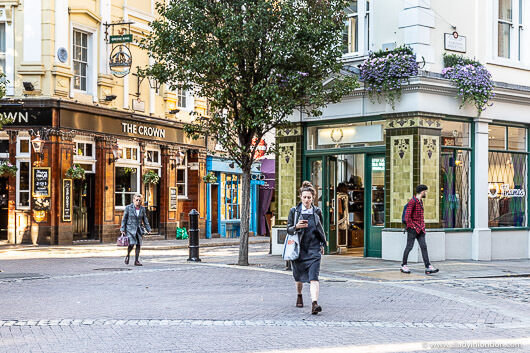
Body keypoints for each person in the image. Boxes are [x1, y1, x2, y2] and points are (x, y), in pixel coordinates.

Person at [287, 181, 327, 315]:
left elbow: (320, 229)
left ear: (313, 198)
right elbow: (288, 229)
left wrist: (322, 244)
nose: (306, 200)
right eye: (304, 197)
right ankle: (299, 294)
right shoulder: (294, 211)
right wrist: (297, 226)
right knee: (298, 277)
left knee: (314, 277)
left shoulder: (317, 211)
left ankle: (314, 304)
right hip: (299, 249)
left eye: (309, 197)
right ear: (300, 197)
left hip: (314, 248)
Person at [401, 184, 439, 275]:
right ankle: (403, 265)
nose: (426, 193)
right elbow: (407, 217)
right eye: (426, 191)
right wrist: (413, 227)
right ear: (422, 192)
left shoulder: (420, 201)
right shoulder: (412, 202)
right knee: (409, 247)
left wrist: (422, 225)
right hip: (413, 229)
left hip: (421, 229)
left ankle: (428, 266)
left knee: (424, 247)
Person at [120, 193, 151, 266]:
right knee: (131, 244)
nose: (138, 202)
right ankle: (128, 255)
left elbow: (145, 219)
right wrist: (122, 229)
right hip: (130, 229)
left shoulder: (142, 209)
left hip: (138, 229)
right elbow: (124, 219)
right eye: (136, 200)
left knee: (138, 244)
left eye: (139, 200)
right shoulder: (128, 208)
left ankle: (136, 260)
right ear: (133, 200)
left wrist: (148, 229)